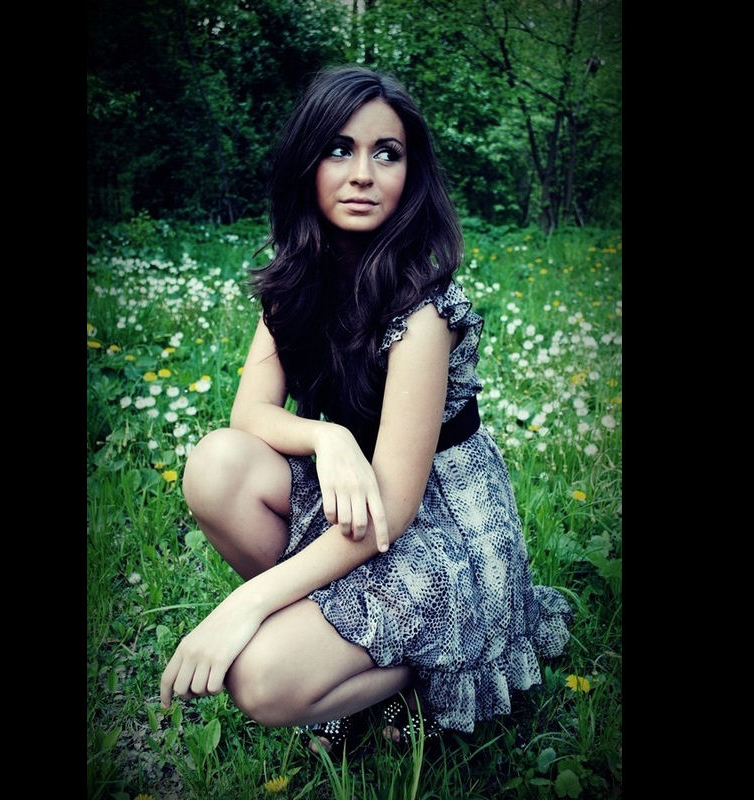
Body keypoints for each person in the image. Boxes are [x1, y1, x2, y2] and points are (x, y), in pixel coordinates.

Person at [159, 65, 572, 754]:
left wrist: (244, 606)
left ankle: (420, 673)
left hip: (440, 527)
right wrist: (329, 439)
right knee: (215, 465)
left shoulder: (422, 308)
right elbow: (249, 416)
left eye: (387, 153)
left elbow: (394, 512)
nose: (362, 174)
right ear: (307, 162)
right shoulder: (296, 278)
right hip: (356, 492)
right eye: (339, 149)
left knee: (260, 680)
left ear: (411, 174)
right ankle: (341, 647)